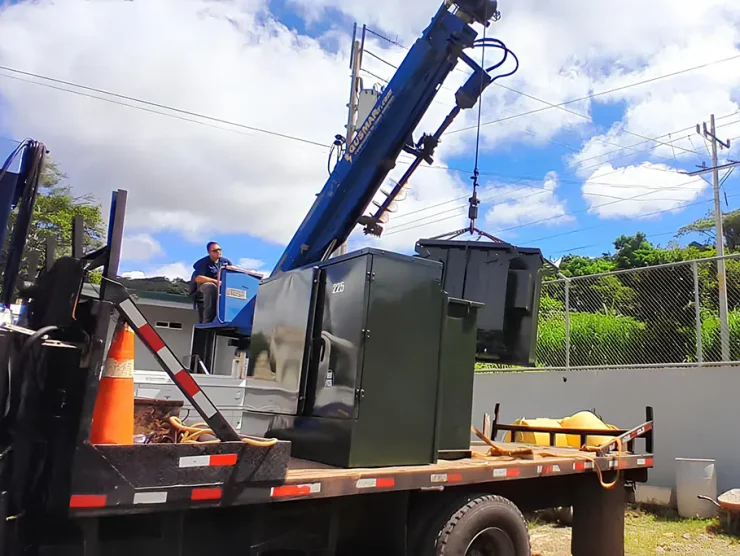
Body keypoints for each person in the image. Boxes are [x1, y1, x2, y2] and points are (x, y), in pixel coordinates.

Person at [189, 241, 232, 323]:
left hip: (220, 288)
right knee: (210, 287)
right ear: (209, 252)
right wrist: (216, 281)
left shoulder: (226, 262)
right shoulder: (202, 263)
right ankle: (208, 320)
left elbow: (232, 274)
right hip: (201, 289)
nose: (218, 252)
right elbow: (198, 278)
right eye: (215, 250)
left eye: (219, 249)